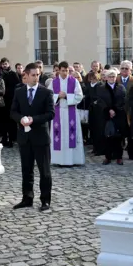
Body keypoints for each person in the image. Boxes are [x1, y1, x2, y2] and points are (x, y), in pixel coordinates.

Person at [10, 63, 55, 211]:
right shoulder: (19, 92)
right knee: (26, 169)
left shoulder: (46, 92)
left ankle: (45, 200)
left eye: (38, 74)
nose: (36, 77)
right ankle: (27, 198)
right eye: (33, 75)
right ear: (26, 76)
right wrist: (21, 119)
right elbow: (13, 112)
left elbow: (51, 113)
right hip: (24, 137)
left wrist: (33, 119)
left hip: (41, 137)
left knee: (44, 171)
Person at [46, 61, 85, 166]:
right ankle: (58, 160)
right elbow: (48, 96)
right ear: (58, 70)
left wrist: (67, 96)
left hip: (71, 112)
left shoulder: (74, 81)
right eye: (62, 70)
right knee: (59, 136)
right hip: (58, 113)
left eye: (66, 70)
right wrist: (57, 96)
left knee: (71, 136)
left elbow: (80, 96)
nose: (65, 73)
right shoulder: (53, 82)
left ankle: (73, 160)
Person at [94, 68, 127, 165]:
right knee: (107, 136)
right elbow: (99, 100)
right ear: (106, 78)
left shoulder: (121, 88)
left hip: (118, 115)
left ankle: (119, 157)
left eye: (114, 76)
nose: (112, 78)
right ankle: (108, 157)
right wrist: (108, 110)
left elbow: (123, 100)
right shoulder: (101, 88)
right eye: (110, 76)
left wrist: (115, 110)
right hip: (106, 115)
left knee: (118, 137)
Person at [117, 61, 133, 160]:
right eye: (122, 68)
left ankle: (131, 153)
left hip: (130, 110)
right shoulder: (116, 79)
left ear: (131, 70)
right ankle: (118, 154)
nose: (124, 70)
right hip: (119, 110)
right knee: (119, 132)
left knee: (131, 133)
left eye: (126, 68)